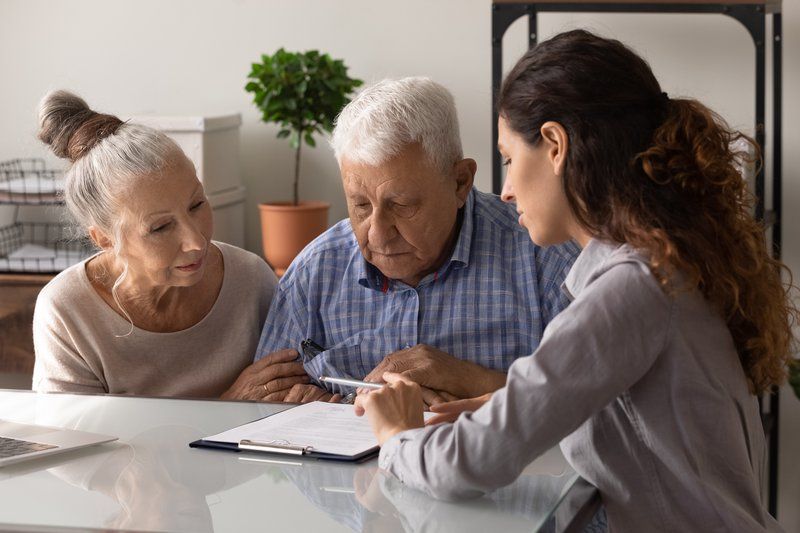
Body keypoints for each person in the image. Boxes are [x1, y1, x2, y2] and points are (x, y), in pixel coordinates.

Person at [354, 30, 793, 532]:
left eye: (510, 160)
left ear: (555, 145)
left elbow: (466, 465)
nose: (506, 192)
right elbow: (637, 411)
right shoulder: (658, 267)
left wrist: (395, 435)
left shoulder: (630, 289)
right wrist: (507, 407)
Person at [240, 77, 577, 404]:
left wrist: (472, 381)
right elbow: (260, 410)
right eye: (360, 205)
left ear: (460, 182)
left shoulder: (545, 259)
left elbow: (597, 408)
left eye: (401, 205)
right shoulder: (315, 271)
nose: (377, 233)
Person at [31, 91, 300, 399]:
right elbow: (79, 438)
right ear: (104, 238)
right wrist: (229, 404)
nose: (196, 241)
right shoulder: (68, 310)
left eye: (197, 204)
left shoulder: (251, 280)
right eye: (160, 227)